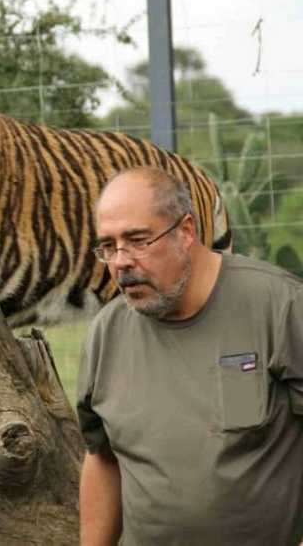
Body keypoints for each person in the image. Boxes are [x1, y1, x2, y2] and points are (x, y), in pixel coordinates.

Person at [76, 166, 303, 545]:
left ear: (186, 231)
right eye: (109, 246)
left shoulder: (279, 307)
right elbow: (101, 457)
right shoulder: (106, 334)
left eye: (137, 239)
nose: (120, 261)